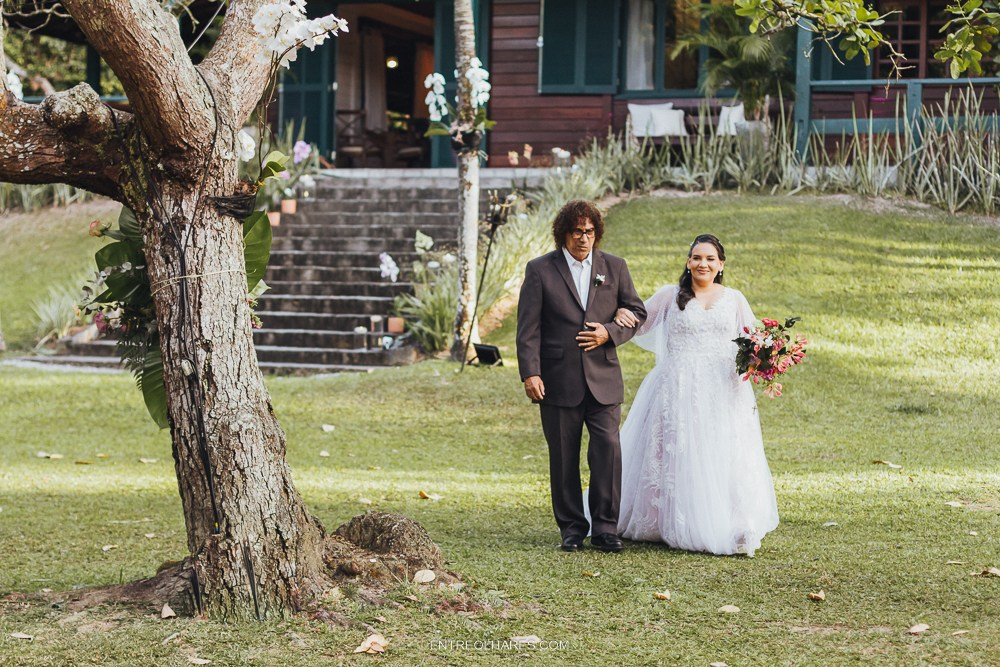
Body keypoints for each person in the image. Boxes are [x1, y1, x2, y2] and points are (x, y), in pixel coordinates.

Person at [611, 234, 778, 556]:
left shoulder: (734, 299)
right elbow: (637, 322)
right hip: (677, 385)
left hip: (723, 388)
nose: (703, 264)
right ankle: (664, 519)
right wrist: (619, 314)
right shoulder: (670, 296)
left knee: (723, 451)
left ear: (721, 265)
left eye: (710, 259)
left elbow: (753, 340)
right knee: (676, 450)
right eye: (697, 258)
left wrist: (767, 356)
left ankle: (733, 521)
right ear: (688, 262)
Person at [516, 200, 647, 553]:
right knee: (563, 455)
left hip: (604, 378)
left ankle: (606, 528)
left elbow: (637, 311)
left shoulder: (614, 267)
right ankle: (572, 528)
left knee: (608, 451)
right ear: (564, 234)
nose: (584, 239)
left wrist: (609, 332)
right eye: (577, 232)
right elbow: (528, 329)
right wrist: (531, 373)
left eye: (589, 232)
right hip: (557, 380)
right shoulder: (540, 270)